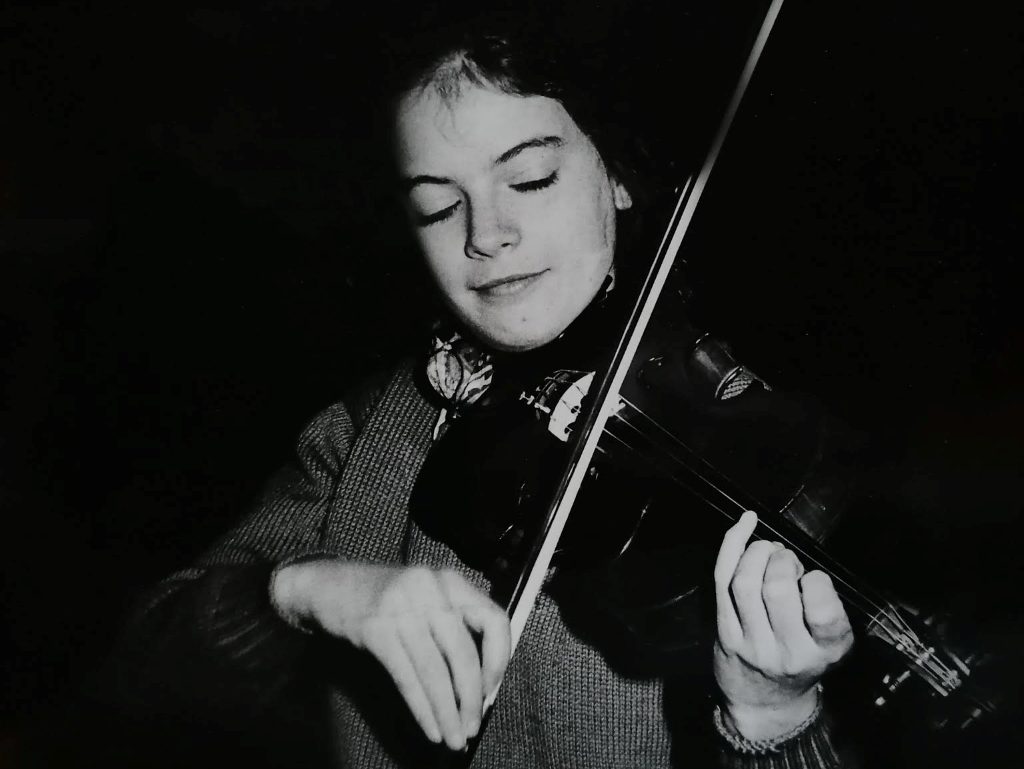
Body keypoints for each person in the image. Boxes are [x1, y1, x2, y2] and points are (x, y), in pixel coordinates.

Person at [109, 17, 857, 769]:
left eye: (529, 179)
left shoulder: (737, 435)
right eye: (437, 205)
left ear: (619, 175)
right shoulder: (374, 428)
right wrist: (300, 593)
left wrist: (773, 716)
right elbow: (145, 671)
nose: (485, 234)